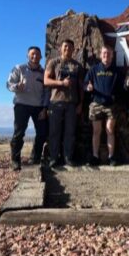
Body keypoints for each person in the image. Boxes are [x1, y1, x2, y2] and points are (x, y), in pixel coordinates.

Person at [6, 46, 49, 171]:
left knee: (42, 133)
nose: (35, 56)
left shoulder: (44, 72)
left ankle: (34, 158)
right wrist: (17, 86)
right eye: (32, 54)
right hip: (21, 105)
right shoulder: (19, 68)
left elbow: (47, 92)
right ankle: (15, 160)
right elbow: (8, 84)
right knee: (19, 133)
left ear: (41, 57)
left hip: (39, 107)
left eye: (37, 54)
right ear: (27, 56)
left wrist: (45, 108)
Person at [44, 39, 85, 168]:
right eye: (65, 46)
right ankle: (54, 158)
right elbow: (46, 81)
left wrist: (81, 103)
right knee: (54, 132)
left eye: (70, 47)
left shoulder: (77, 66)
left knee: (70, 132)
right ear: (60, 48)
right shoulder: (53, 62)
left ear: (74, 50)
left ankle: (68, 158)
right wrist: (61, 83)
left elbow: (81, 87)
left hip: (72, 104)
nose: (67, 49)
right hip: (56, 102)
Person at [84, 45, 123, 166]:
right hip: (96, 104)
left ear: (112, 56)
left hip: (111, 105)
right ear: (101, 55)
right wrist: (88, 87)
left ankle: (111, 157)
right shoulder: (94, 69)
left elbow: (122, 88)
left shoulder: (116, 71)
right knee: (96, 131)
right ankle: (95, 156)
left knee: (110, 130)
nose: (106, 55)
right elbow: (85, 84)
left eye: (109, 54)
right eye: (104, 53)